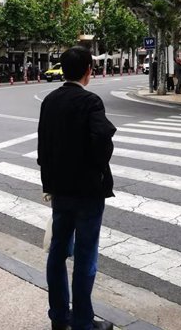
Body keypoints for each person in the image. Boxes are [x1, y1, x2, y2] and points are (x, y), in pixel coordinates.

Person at [38, 46, 116, 330]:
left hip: (60, 190)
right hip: (87, 192)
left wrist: (48, 184)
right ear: (87, 71)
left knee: (58, 253)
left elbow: (43, 147)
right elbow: (103, 140)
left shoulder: (50, 100)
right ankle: (83, 322)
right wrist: (96, 167)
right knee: (85, 256)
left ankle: (59, 317)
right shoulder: (91, 102)